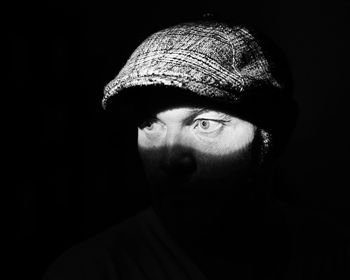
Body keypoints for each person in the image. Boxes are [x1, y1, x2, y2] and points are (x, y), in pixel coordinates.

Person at [44, 19, 349, 280]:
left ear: (274, 137)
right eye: (150, 124)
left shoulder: (330, 253)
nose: (170, 158)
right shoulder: (88, 272)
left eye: (205, 124)